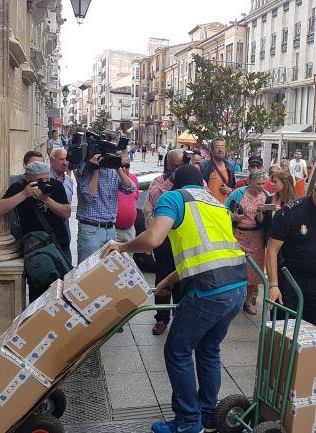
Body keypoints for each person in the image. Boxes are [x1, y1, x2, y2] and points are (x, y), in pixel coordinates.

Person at [100, 164, 246, 433]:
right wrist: (169, 280)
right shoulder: (216, 203)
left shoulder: (174, 198)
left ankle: (188, 422)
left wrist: (121, 247)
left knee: (177, 350)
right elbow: (209, 253)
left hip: (208, 292)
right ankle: (206, 416)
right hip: (237, 286)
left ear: (173, 183)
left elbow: (153, 238)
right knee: (209, 349)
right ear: (202, 182)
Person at [266, 168, 316, 331]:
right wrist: (273, 285)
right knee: (285, 329)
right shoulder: (292, 212)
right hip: (290, 278)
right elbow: (272, 250)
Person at [0, 162, 71, 300]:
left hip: (59, 245)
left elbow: (66, 213)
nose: (44, 183)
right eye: (39, 180)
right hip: (36, 251)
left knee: (65, 292)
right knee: (39, 296)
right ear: (28, 178)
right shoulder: (19, 188)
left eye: (46, 179)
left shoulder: (56, 186)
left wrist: (45, 199)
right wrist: (24, 194)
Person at [148, 149, 188, 335]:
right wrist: (170, 180)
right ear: (167, 165)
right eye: (173, 166)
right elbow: (154, 199)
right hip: (164, 238)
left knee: (183, 278)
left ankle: (180, 318)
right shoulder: (159, 181)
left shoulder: (194, 181)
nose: (177, 170)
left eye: (180, 166)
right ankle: (161, 318)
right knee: (163, 279)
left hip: (185, 238)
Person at [75, 138, 135, 261]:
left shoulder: (113, 172)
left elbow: (130, 188)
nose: (108, 157)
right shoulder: (85, 170)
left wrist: (117, 167)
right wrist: (95, 170)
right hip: (91, 230)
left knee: (109, 272)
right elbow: (89, 197)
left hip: (111, 230)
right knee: (87, 272)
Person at [226, 170, 269, 315]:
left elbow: (266, 220)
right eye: (258, 184)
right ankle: (232, 300)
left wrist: (261, 213)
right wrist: (233, 216)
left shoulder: (266, 196)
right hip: (238, 235)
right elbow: (224, 211)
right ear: (250, 182)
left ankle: (248, 301)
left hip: (257, 237)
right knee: (234, 270)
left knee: (254, 272)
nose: (262, 186)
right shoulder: (238, 193)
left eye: (264, 183)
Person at [197, 138, 236, 203]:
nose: (220, 150)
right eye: (217, 147)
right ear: (211, 151)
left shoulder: (230, 168)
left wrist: (231, 190)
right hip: (207, 207)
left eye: (222, 147)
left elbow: (235, 188)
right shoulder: (202, 166)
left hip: (224, 208)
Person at [261, 170, 296, 239]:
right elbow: (264, 221)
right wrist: (259, 211)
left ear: (285, 183)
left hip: (286, 242)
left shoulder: (295, 202)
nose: (272, 184)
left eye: (275, 182)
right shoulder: (270, 199)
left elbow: (295, 225)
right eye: (272, 181)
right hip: (268, 239)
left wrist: (281, 214)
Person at [49, 148, 74, 242]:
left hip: (64, 230)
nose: (65, 163)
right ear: (52, 160)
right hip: (49, 230)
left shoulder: (69, 180)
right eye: (61, 159)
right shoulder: (45, 179)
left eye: (66, 159)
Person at [115, 155, 139, 242]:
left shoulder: (133, 179)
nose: (124, 169)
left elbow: (135, 198)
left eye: (126, 166)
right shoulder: (113, 179)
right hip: (114, 229)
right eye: (121, 166)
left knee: (129, 256)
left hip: (130, 229)